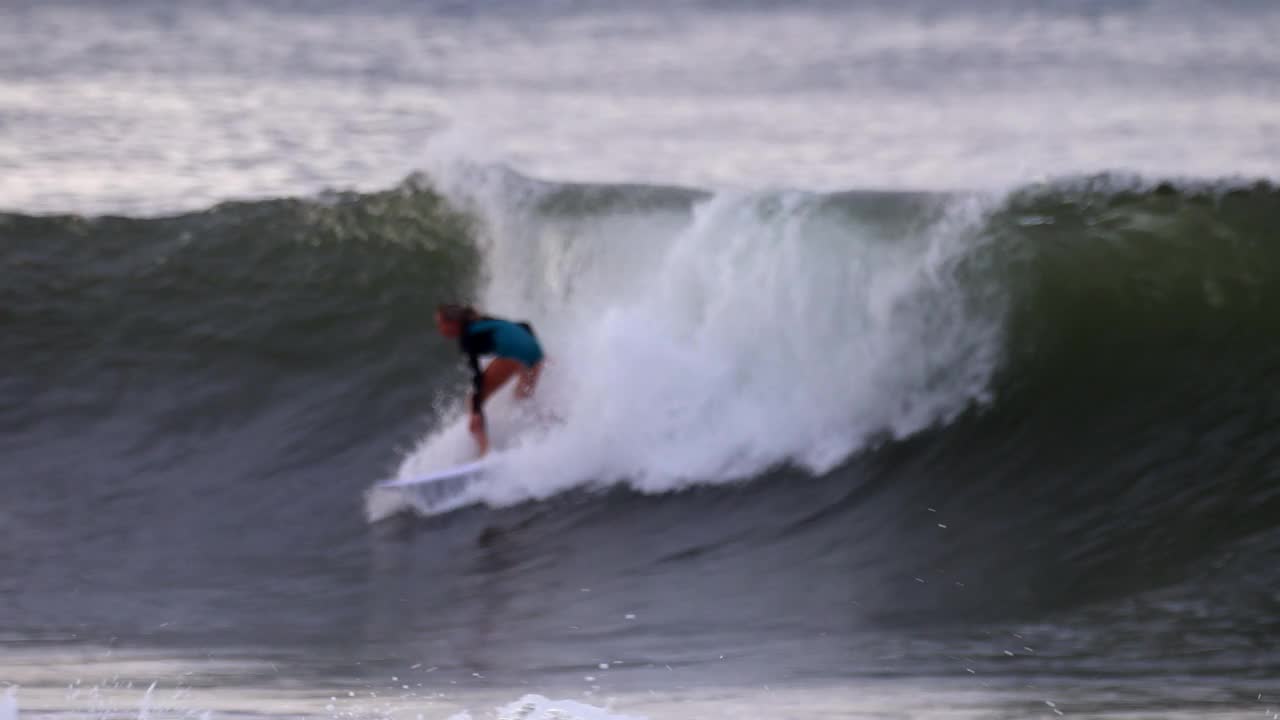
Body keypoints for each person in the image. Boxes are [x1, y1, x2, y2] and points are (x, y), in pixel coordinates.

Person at [434, 303, 545, 456]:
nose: (439, 329)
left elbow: (476, 376)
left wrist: (476, 411)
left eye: (440, 324)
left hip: (515, 356)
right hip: (535, 354)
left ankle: (485, 453)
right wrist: (537, 352)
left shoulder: (468, 337)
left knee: (473, 401)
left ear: (453, 323)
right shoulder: (485, 322)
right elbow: (525, 325)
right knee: (521, 398)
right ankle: (546, 427)